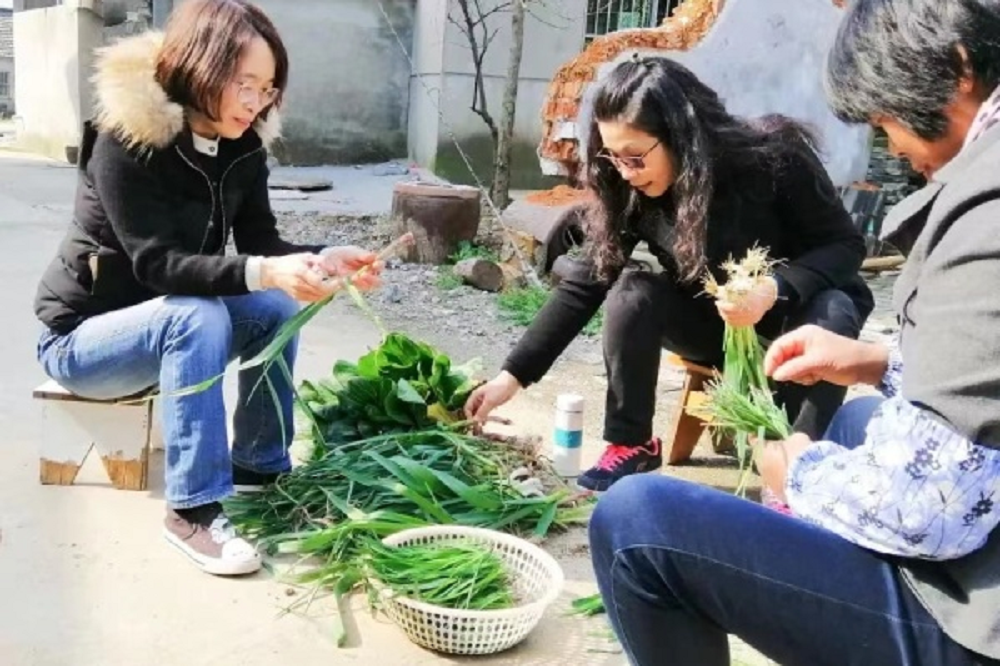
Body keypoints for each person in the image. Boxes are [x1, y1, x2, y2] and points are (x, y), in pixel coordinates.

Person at [587, 0, 1000, 663]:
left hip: (975, 625)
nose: (889, 143)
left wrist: (800, 474)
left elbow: (929, 511)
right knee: (854, 420)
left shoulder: (986, 217)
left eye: (884, 119)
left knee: (636, 523)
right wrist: (877, 363)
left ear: (958, 70)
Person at [32, 0, 382, 577]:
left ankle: (259, 465)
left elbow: (261, 241)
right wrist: (261, 271)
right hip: (83, 341)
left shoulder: (243, 146)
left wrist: (321, 260)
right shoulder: (126, 139)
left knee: (271, 305)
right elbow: (157, 265)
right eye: (243, 83)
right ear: (200, 67)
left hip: (168, 326)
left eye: (267, 88)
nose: (256, 101)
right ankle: (192, 511)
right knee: (198, 315)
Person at [466, 56, 874, 491]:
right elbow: (586, 283)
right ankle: (631, 444)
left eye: (635, 157)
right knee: (633, 290)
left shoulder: (774, 158)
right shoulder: (630, 187)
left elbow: (846, 246)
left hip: (798, 324)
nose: (624, 171)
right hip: (716, 328)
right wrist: (511, 376)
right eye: (612, 156)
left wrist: (773, 289)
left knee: (836, 307)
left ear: (682, 136)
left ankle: (795, 466)